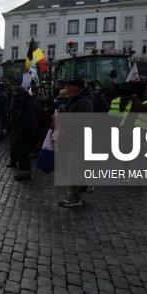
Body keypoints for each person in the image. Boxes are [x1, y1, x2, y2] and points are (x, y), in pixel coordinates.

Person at [58, 78, 95, 207]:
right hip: (73, 140)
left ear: (77, 88)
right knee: (73, 167)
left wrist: (62, 121)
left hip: (79, 141)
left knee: (73, 168)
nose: (67, 89)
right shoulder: (75, 100)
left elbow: (83, 122)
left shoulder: (84, 101)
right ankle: (81, 189)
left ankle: (76, 196)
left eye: (70, 87)